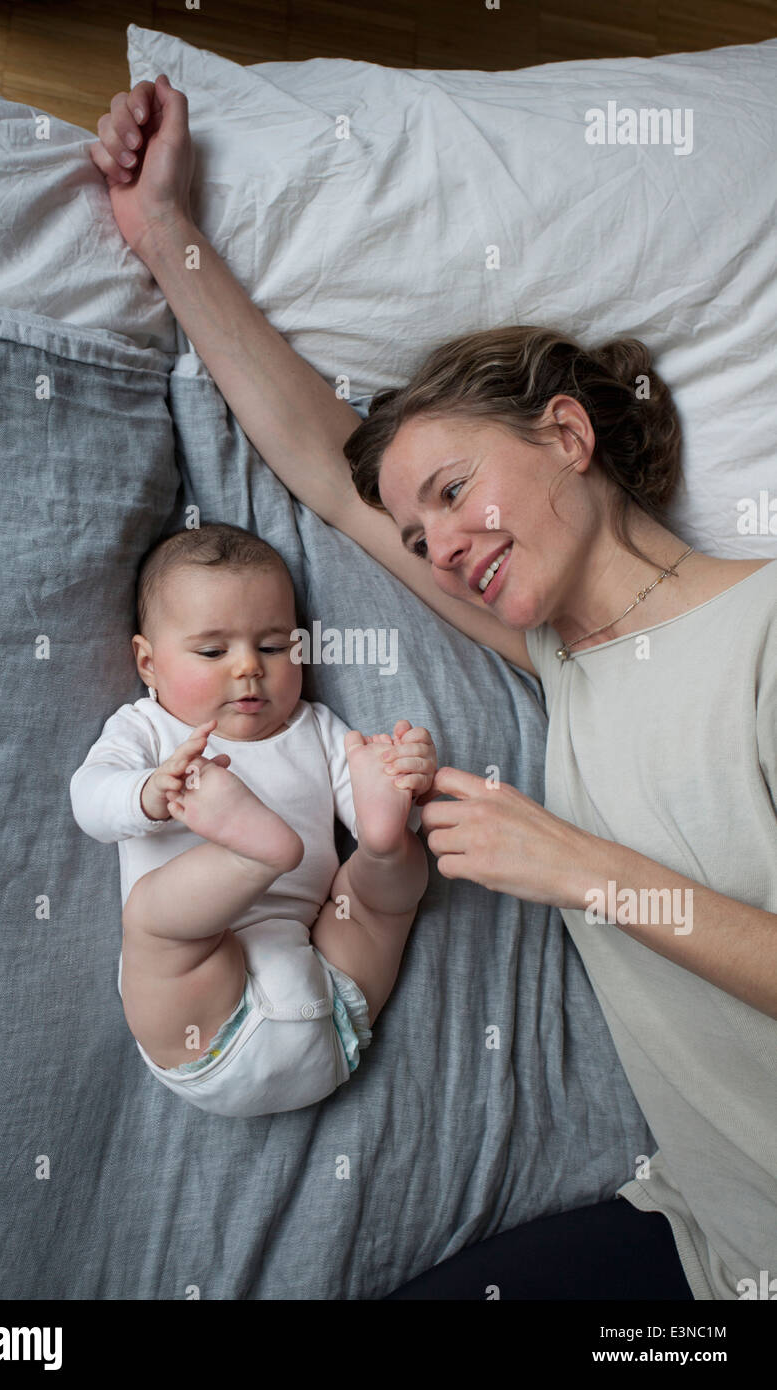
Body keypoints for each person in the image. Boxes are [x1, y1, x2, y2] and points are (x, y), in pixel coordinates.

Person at [88, 75, 777, 1297]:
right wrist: (161, 229)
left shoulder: (759, 630)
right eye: (417, 541)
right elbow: (315, 456)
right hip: (710, 1249)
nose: (440, 547)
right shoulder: (568, 664)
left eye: (453, 492)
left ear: (568, 435)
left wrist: (575, 869)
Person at [70, 522, 435, 1118]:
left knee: (383, 889)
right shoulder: (147, 730)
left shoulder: (316, 727)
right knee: (157, 923)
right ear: (148, 662)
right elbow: (88, 798)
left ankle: (375, 847)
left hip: (329, 997)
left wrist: (399, 792)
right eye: (213, 651)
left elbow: (368, 793)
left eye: (273, 646)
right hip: (204, 1015)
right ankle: (254, 855)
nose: (248, 668)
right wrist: (145, 793)